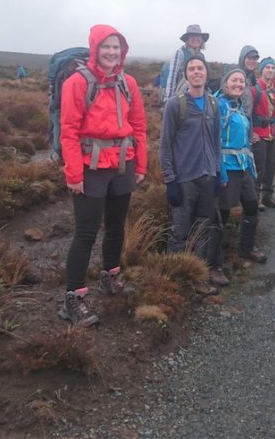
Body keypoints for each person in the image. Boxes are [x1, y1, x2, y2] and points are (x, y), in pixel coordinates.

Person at [58, 25, 148, 326]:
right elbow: (69, 131)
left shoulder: (128, 83)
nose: (112, 52)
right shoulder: (76, 83)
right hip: (90, 167)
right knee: (86, 231)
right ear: (95, 49)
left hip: (123, 163)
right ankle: (73, 299)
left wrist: (141, 165)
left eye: (116, 47)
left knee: (116, 226)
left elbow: (139, 126)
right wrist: (73, 174)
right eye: (106, 46)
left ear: (123, 51)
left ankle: (110, 277)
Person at [160, 55, 227, 291]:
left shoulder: (214, 104)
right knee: (179, 232)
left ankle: (198, 277)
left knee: (203, 229)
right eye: (192, 69)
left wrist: (217, 172)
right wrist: (170, 180)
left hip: (207, 177)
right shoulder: (175, 105)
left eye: (200, 68)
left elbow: (216, 142)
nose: (197, 72)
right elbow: (165, 146)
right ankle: (173, 282)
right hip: (183, 179)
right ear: (186, 75)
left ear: (206, 73)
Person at [215, 68, 268, 264]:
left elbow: (244, 140)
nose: (238, 84)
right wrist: (220, 170)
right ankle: (215, 257)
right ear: (225, 83)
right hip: (227, 169)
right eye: (234, 80)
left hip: (243, 167)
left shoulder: (238, 107)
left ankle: (247, 248)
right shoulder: (219, 106)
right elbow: (214, 140)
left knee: (252, 206)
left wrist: (250, 165)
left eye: (241, 81)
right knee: (223, 211)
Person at [251, 56, 275, 209]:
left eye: (272, 67)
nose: (270, 70)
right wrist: (251, 132)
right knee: (259, 167)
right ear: (261, 70)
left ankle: (268, 196)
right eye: (267, 67)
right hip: (259, 133)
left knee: (271, 166)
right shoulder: (255, 88)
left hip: (273, 133)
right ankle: (255, 197)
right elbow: (248, 113)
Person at [162, 24, 209, 103]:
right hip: (180, 96)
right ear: (187, 39)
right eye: (192, 36)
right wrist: (168, 99)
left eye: (198, 36)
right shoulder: (180, 53)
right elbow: (172, 76)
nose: (195, 39)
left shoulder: (201, 56)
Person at [237, 45, 260, 114]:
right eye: (249, 58)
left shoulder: (252, 78)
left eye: (254, 59)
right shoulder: (235, 78)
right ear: (242, 59)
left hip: (248, 118)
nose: (252, 61)